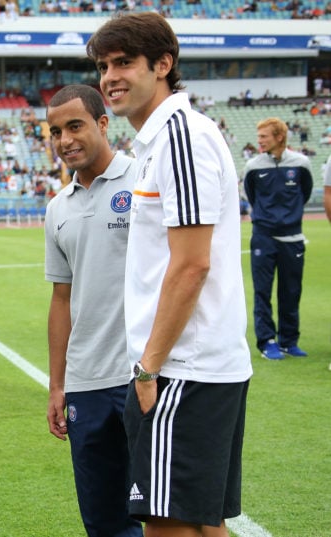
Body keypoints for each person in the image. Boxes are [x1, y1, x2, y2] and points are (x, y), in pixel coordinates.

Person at [86, 12, 253, 537]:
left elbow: (191, 263)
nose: (110, 76)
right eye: (103, 65)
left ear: (163, 65)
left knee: (166, 525)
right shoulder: (162, 139)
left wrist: (148, 366)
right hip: (193, 365)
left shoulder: (181, 136)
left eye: (124, 63)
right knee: (201, 524)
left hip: (182, 366)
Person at [44, 84, 142, 537]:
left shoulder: (144, 180)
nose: (65, 140)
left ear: (104, 124)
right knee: (102, 521)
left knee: (162, 517)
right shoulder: (56, 208)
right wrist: (57, 384)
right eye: (56, 131)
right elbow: (61, 299)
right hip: (86, 385)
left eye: (75, 126)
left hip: (142, 375)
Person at [243, 117, 314, 359]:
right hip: (263, 236)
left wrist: (288, 217)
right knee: (262, 291)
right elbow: (252, 196)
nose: (259, 141)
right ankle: (266, 342)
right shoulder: (253, 166)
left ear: (279, 137)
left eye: (264, 136)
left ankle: (288, 341)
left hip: (292, 237)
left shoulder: (301, 163)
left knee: (291, 290)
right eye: (259, 136)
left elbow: (303, 193)